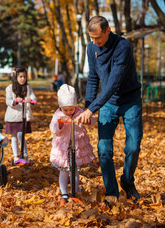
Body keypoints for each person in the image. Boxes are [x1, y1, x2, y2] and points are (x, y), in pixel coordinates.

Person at [76, 16, 143, 202]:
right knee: (104, 148)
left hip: (130, 101)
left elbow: (113, 83)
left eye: (98, 38)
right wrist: (88, 107)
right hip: (107, 104)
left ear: (108, 31)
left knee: (133, 147)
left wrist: (92, 109)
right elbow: (93, 78)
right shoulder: (91, 48)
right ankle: (111, 192)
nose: (94, 42)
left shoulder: (123, 47)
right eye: (91, 38)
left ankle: (128, 181)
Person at [49, 84, 96, 203]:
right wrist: (60, 123)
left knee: (75, 170)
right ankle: (64, 192)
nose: (69, 112)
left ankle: (74, 190)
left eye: (71, 109)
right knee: (64, 170)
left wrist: (87, 119)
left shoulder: (79, 111)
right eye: (66, 110)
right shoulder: (58, 114)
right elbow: (53, 128)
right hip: (64, 147)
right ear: (61, 107)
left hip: (77, 145)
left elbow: (92, 120)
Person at [4, 67, 36, 163]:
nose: (23, 79)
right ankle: (16, 155)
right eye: (20, 77)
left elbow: (32, 96)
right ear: (16, 77)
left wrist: (32, 100)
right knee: (14, 136)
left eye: (24, 77)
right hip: (13, 115)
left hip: (24, 115)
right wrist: (15, 101)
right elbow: (8, 101)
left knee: (21, 135)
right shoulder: (10, 88)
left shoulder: (28, 88)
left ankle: (25, 154)